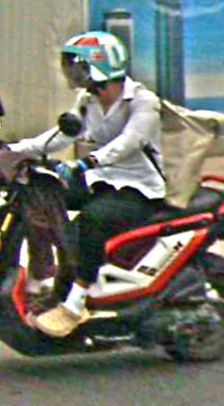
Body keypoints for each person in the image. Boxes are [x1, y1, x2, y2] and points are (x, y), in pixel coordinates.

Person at [9, 31, 167, 337]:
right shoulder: (88, 100)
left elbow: (130, 142)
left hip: (140, 189)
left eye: (79, 66)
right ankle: (44, 276)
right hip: (101, 180)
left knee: (93, 219)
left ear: (101, 65)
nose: (73, 73)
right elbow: (61, 136)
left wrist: (87, 162)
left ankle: (75, 304)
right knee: (44, 191)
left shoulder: (143, 102)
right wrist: (16, 150)